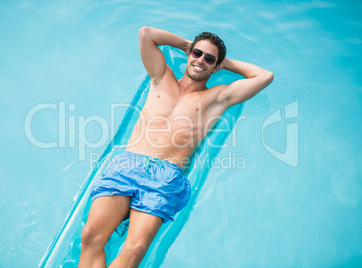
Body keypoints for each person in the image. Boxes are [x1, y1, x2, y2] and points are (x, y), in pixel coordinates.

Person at [79, 26, 274, 267]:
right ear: (189, 54)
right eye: (197, 54)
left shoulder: (217, 98)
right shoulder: (162, 77)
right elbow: (146, 34)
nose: (201, 60)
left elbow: (265, 76)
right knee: (89, 236)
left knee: (136, 248)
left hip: (165, 177)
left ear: (216, 66)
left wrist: (225, 63)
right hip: (128, 164)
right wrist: (187, 45)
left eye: (209, 58)